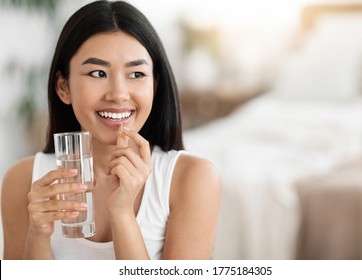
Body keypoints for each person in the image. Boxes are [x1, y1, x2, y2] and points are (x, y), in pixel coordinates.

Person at [1, 0, 221, 260]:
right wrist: (38, 235)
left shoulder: (191, 179)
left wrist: (122, 214)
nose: (118, 94)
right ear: (64, 87)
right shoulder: (23, 180)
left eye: (136, 74)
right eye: (97, 73)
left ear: (155, 85)